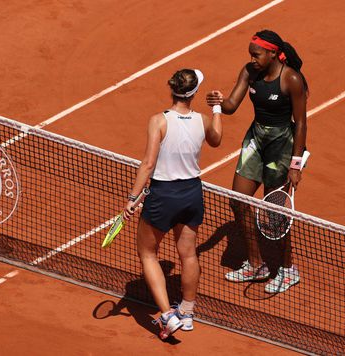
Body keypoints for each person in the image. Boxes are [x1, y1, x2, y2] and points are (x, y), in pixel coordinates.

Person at [123, 68, 222, 340]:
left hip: (163, 196)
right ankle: (187, 313)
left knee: (147, 253)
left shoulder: (159, 121)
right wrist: (216, 110)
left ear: (173, 90)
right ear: (193, 93)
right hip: (192, 193)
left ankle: (167, 314)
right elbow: (217, 139)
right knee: (188, 253)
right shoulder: (202, 120)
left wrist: (132, 198)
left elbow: (148, 163)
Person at [206, 29, 308, 293]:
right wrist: (218, 104)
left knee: (275, 214)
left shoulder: (291, 80)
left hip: (281, 147)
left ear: (273, 53)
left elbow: (301, 124)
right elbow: (231, 105)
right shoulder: (250, 71)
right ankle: (256, 264)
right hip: (255, 140)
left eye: (257, 54)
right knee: (238, 202)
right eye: (251, 54)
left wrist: (296, 164)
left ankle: (288, 271)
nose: (252, 59)